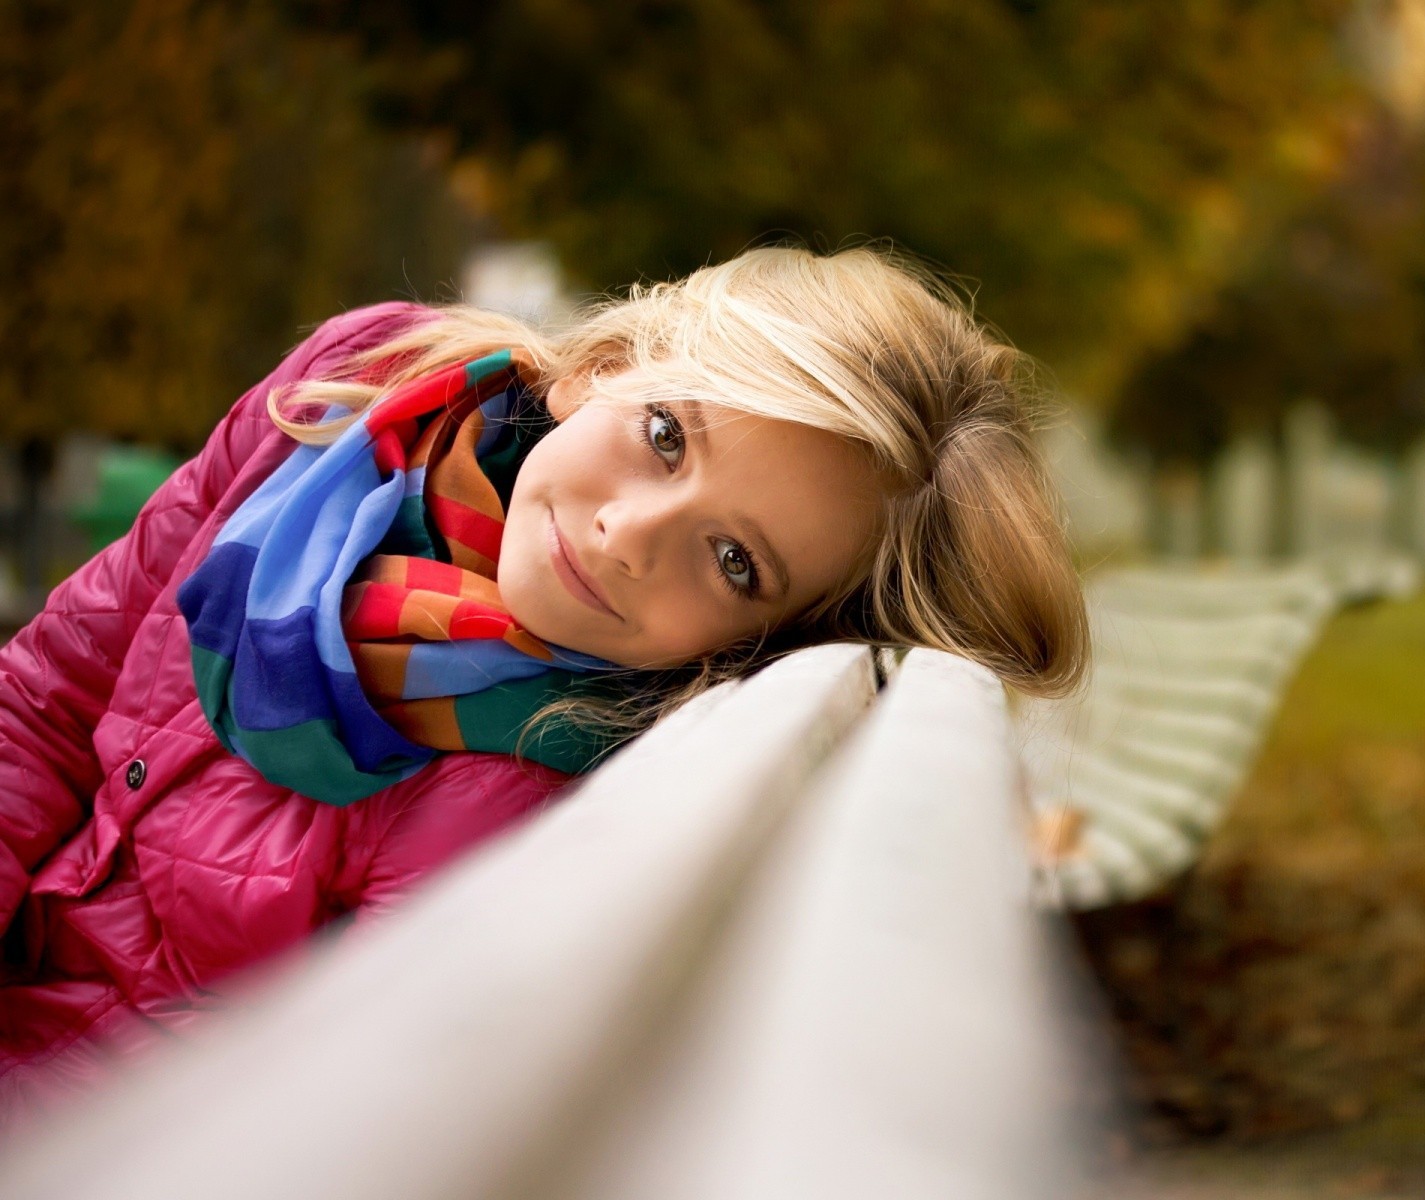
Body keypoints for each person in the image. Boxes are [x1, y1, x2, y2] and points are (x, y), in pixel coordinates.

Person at [0, 244, 1088, 1111]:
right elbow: (49, 696)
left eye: (734, 561)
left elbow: (325, 1116)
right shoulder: (361, 396)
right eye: (667, 435)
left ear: (765, 638)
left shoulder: (541, 794)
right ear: (603, 368)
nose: (626, 534)